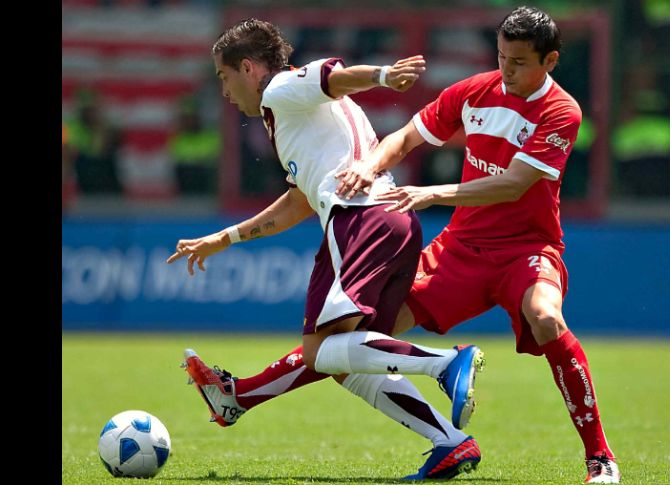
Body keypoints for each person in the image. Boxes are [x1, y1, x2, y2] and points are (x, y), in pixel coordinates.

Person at [214, 7, 621, 484]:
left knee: (547, 318)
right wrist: (369, 165)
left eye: (520, 63)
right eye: (502, 57)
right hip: (459, 251)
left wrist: (433, 193)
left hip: (526, 249)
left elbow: (513, 185)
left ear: (549, 61)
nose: (507, 70)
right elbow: (406, 136)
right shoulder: (475, 91)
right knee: (351, 346)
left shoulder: (561, 111)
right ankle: (447, 441)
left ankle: (600, 458)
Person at [165, 18, 484, 480]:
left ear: (249, 68)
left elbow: (331, 77)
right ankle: (450, 443)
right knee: (338, 359)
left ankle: (449, 363)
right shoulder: (291, 115)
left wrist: (381, 76)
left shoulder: (280, 89)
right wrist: (225, 237)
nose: (224, 91)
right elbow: (296, 202)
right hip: (379, 221)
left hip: (361, 218)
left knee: (326, 350)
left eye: (224, 76)